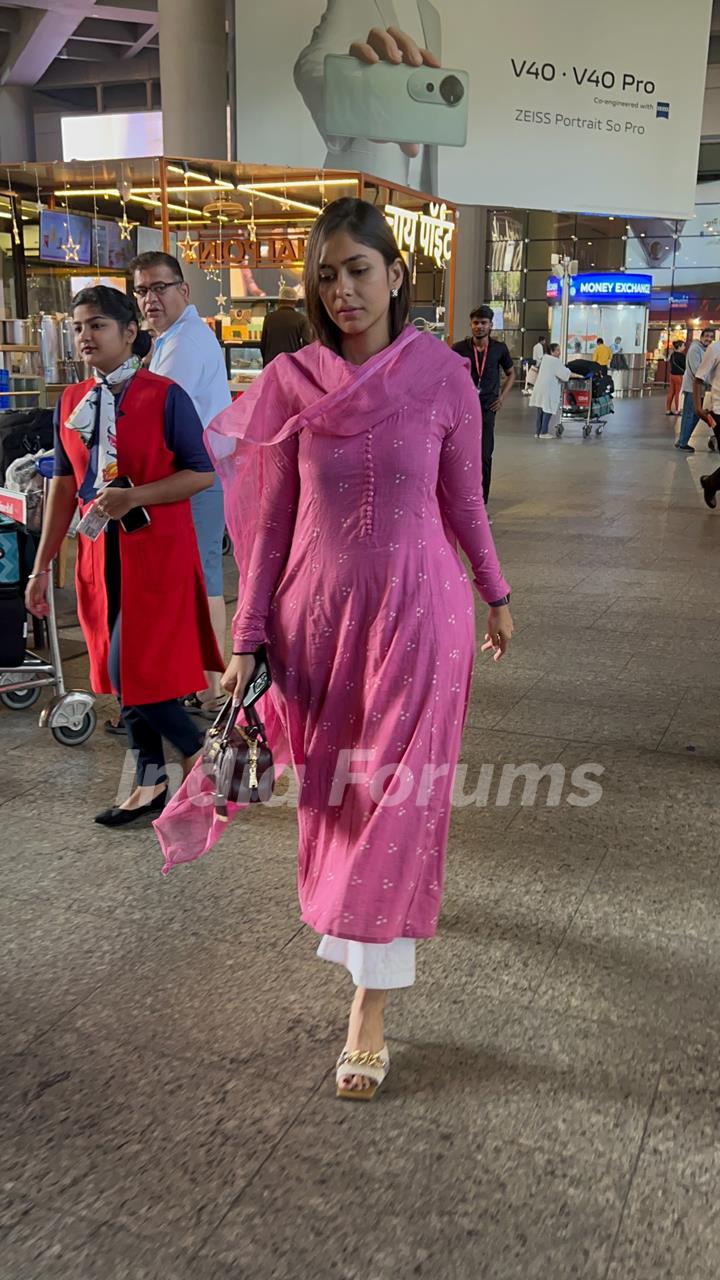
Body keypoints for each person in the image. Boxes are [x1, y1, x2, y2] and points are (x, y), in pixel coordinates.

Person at [155, 198, 513, 1100]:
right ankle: (373, 935)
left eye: (359, 268)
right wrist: (247, 636)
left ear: (397, 274)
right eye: (327, 274)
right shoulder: (292, 383)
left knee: (394, 802)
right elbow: (268, 525)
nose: (344, 289)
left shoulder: (444, 379)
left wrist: (497, 593)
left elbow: (464, 503)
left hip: (421, 614)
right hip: (317, 628)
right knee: (340, 804)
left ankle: (369, 1008)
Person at [25, 286, 223, 824]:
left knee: (134, 671)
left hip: (156, 552)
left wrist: (134, 496)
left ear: (129, 332)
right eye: (79, 327)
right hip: (99, 556)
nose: (85, 336)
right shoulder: (72, 401)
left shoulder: (164, 396)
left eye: (97, 326)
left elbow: (202, 472)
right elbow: (65, 487)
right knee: (117, 675)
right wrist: (42, 567)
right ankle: (150, 785)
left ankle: (209, 756)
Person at [130, 251, 231, 717]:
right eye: (142, 291)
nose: (150, 299)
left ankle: (214, 689)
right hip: (192, 476)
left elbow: (154, 410)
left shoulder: (186, 342)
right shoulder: (172, 337)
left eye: (159, 288)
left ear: (183, 292)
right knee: (196, 575)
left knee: (203, 575)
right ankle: (205, 684)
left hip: (197, 478)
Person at [294, 1, 442, 193]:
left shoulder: (431, 15)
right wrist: (358, 99)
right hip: (361, 194)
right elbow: (310, 66)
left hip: (419, 201)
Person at [452, 305, 516, 501]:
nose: (479, 326)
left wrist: (501, 398)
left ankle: (481, 502)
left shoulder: (499, 349)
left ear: (491, 325)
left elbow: (511, 373)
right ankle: (460, 499)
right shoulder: (459, 348)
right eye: (476, 323)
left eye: (484, 323)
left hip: (488, 407)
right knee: (460, 455)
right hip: (463, 409)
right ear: (471, 325)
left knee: (484, 456)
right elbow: (448, 373)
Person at [675, 328, 714, 452]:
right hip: (692, 388)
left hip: (699, 388)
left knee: (697, 415)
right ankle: (682, 443)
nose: (708, 339)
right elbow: (696, 369)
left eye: (711, 336)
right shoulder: (695, 349)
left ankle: (682, 439)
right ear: (701, 336)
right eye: (706, 336)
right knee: (689, 415)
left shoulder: (705, 349)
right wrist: (710, 382)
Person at [693, 337, 720, 508]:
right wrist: (698, 408)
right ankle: (711, 483)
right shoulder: (715, 349)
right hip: (719, 411)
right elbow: (698, 379)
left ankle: (711, 482)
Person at [260, 285, 313, 366]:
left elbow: (263, 345)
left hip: (271, 366)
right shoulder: (301, 319)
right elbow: (307, 345)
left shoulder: (269, 318)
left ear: (279, 300)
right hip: (291, 367)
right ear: (295, 302)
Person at [529, 341, 571, 437]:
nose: (559, 352)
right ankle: (544, 432)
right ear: (552, 352)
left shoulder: (545, 359)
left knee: (540, 410)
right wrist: (577, 375)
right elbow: (564, 374)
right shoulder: (555, 361)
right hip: (548, 389)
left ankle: (538, 432)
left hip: (540, 387)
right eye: (557, 350)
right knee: (547, 410)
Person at [666, 340, 686, 416]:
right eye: (683, 346)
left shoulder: (672, 355)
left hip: (672, 375)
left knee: (671, 392)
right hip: (679, 376)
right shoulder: (682, 356)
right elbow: (685, 366)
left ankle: (668, 410)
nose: (684, 347)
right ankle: (677, 410)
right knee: (678, 392)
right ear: (680, 347)